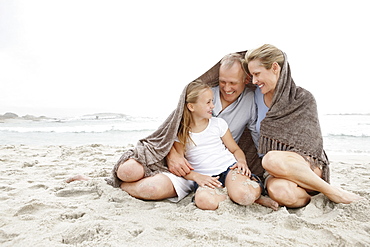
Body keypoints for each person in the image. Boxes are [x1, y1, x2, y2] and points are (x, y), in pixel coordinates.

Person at [243, 44, 363, 208]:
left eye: (257, 74)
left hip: (307, 165)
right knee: (281, 192)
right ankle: (315, 197)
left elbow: (312, 146)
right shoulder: (255, 96)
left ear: (275, 67)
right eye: (252, 75)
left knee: (271, 158)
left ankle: (333, 192)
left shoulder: (303, 98)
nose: (255, 80)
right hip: (274, 173)